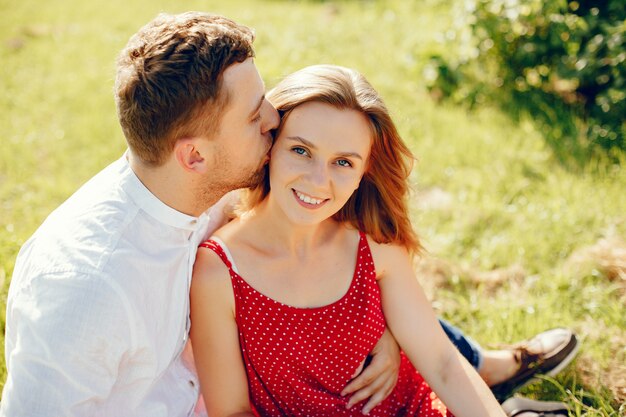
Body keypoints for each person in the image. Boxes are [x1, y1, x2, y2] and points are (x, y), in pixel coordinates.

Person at [1, 11, 576, 417]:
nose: (274, 124)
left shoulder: (205, 181)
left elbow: (330, 227)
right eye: (258, 119)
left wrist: (390, 334)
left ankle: (495, 372)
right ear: (195, 155)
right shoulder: (85, 291)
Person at [189, 64, 507, 416]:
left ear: (364, 171)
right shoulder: (218, 271)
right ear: (270, 146)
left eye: (342, 162)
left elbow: (442, 362)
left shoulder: (373, 243)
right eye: (301, 151)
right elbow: (232, 411)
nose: (317, 180)